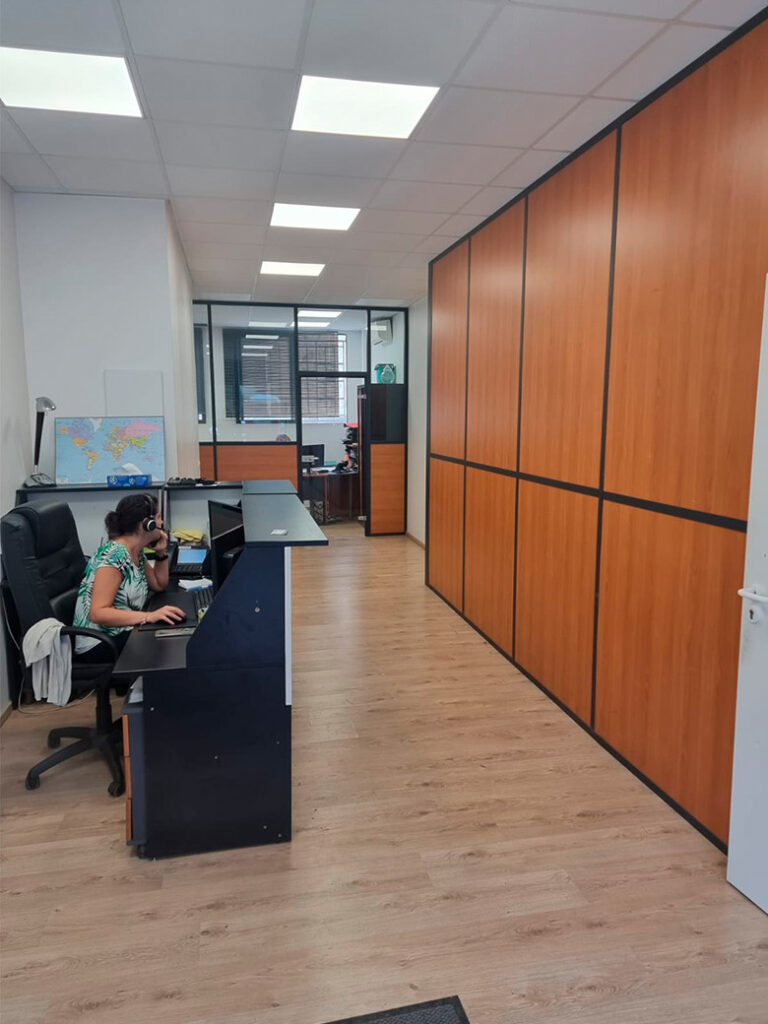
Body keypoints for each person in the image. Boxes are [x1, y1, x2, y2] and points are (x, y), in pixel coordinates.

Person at [73, 493, 184, 661]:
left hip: (121, 630)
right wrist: (148, 616)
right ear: (146, 524)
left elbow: (159, 584)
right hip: (98, 642)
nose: (161, 523)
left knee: (171, 637)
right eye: (158, 518)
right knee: (168, 648)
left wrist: (161, 553)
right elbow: (98, 613)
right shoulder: (114, 555)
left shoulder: (135, 552)